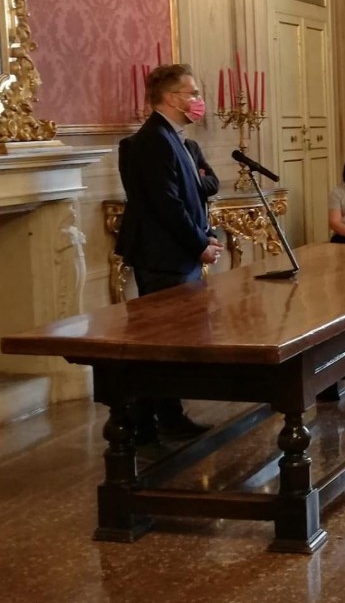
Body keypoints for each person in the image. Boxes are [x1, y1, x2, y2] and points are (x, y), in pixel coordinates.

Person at [116, 64, 223, 446]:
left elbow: (194, 197)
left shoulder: (174, 138)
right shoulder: (153, 140)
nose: (198, 100)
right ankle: (143, 423)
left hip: (178, 253)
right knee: (160, 344)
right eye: (192, 93)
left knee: (173, 343)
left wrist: (204, 237)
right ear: (171, 97)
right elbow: (166, 204)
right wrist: (199, 244)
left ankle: (168, 415)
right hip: (163, 257)